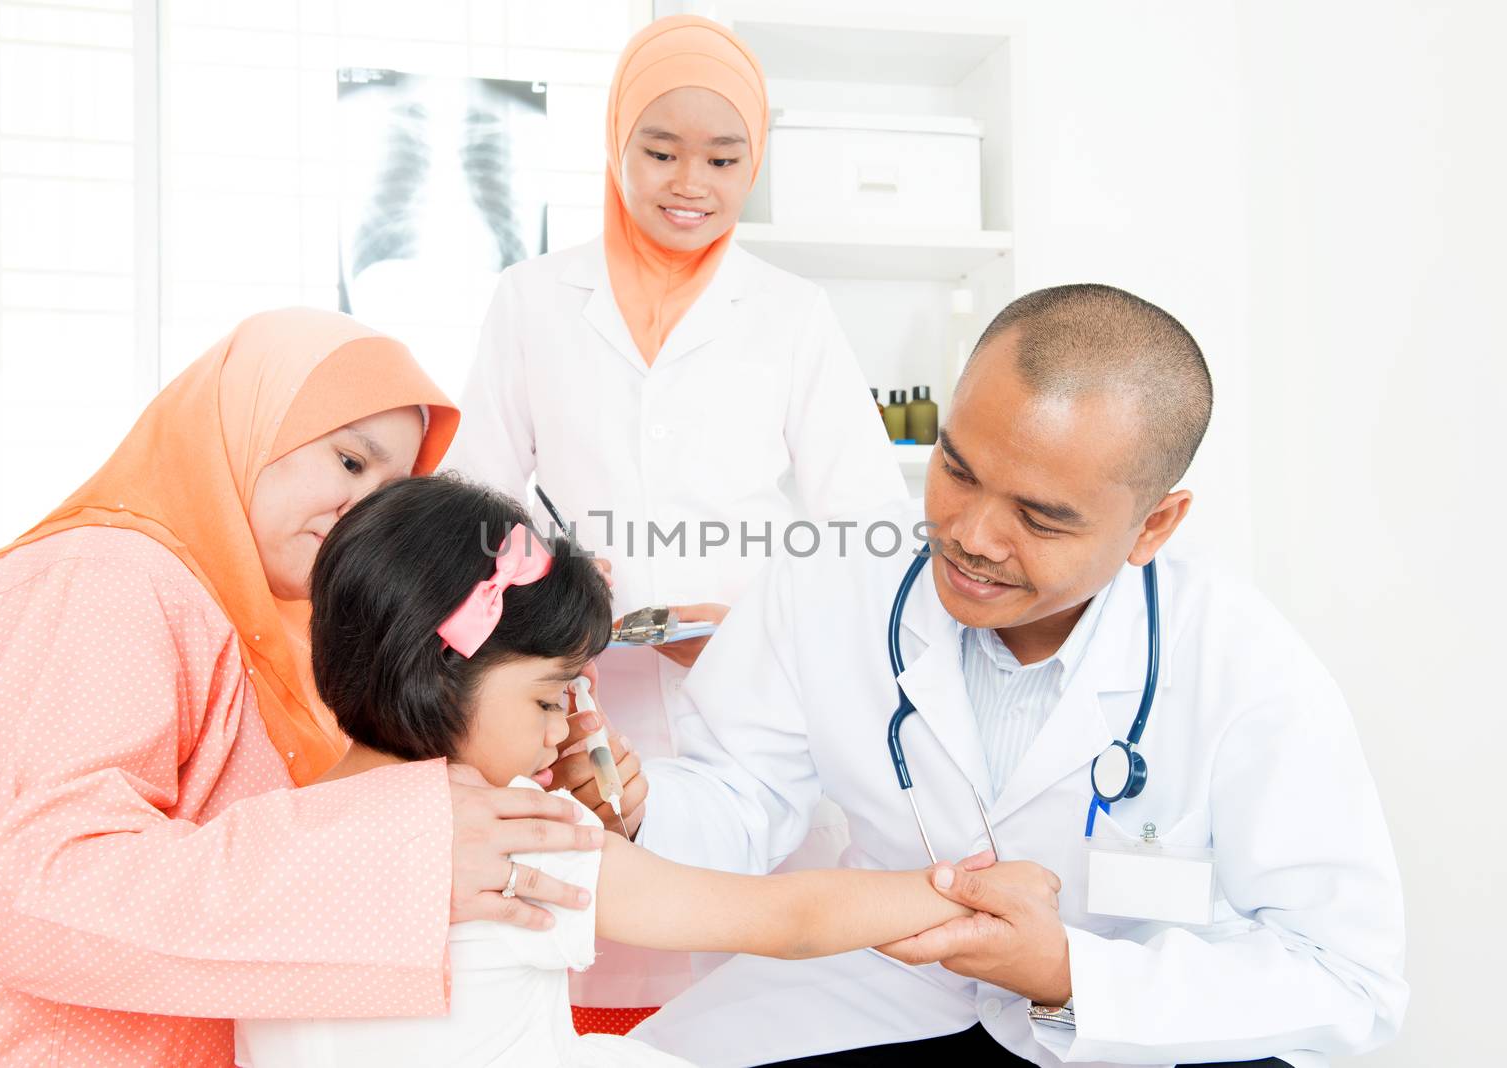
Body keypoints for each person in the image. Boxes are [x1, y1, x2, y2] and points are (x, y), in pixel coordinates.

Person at [564, 284, 1408, 1065]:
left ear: (1154, 524)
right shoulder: (830, 578)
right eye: (957, 469)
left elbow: (1346, 976)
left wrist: (1068, 970)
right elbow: (742, 797)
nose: (971, 536)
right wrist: (643, 807)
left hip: (1129, 1018)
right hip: (881, 988)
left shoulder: (1243, 664)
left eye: (1040, 517)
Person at [0, 309, 606, 1067]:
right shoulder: (105, 580)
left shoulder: (272, 635)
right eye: (349, 462)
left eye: (391, 488)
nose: (364, 508)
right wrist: (394, 861)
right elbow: (41, 891)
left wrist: (528, 765)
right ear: (245, 427)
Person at [236, 473, 1045, 1067]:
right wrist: (961, 891)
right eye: (552, 699)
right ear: (441, 675)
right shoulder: (508, 837)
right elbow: (782, 919)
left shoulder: (254, 833)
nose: (562, 730)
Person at [445, 14, 906, 1014]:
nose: (687, 181)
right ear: (614, 144)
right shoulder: (530, 300)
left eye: (722, 157)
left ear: (755, 164)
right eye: (658, 151)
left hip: (739, 689)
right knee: (583, 949)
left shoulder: (791, 314)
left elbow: (865, 517)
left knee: (742, 968)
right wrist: (543, 582)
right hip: (566, 685)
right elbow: (471, 500)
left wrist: (765, 625)